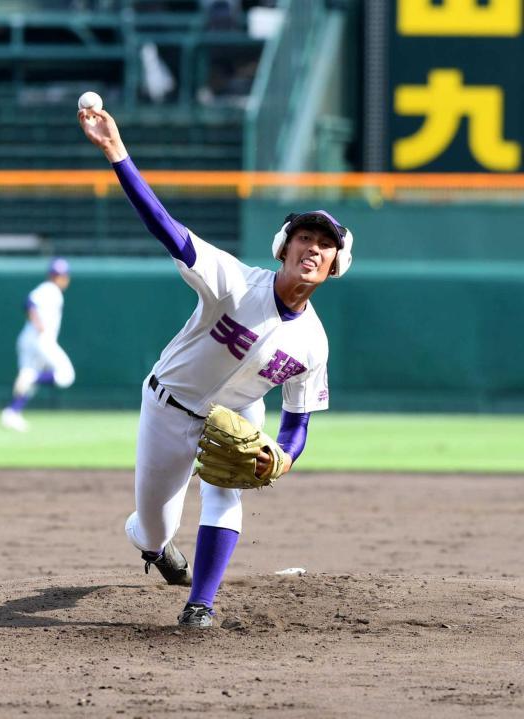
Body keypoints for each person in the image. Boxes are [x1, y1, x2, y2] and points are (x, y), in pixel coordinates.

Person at [78, 106, 353, 628]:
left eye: (324, 245)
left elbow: (297, 424)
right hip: (168, 405)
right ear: (284, 248)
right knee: (155, 526)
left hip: (233, 413)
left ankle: (199, 605)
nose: (312, 249)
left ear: (334, 265)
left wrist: (284, 459)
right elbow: (167, 229)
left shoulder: (314, 344)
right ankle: (155, 548)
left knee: (227, 492)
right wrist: (117, 152)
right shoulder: (233, 281)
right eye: (304, 239)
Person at [0, 258, 75, 432]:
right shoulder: (50, 289)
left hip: (29, 340)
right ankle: (32, 377)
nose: (63, 279)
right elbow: (29, 302)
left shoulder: (50, 290)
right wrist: (37, 322)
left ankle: (11, 413)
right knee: (66, 375)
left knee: (27, 384)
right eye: (61, 276)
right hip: (41, 340)